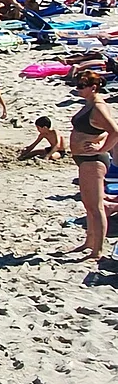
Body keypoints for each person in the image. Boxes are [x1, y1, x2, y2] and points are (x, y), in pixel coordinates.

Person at [62, 73, 117, 262]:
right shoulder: (91, 104)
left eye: (82, 85)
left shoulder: (99, 107)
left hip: (93, 160)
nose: (78, 88)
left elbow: (115, 131)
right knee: (88, 205)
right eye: (77, 84)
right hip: (85, 159)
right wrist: (99, 140)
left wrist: (101, 147)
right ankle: (89, 242)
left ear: (93, 87)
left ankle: (97, 250)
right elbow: (101, 131)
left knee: (96, 207)